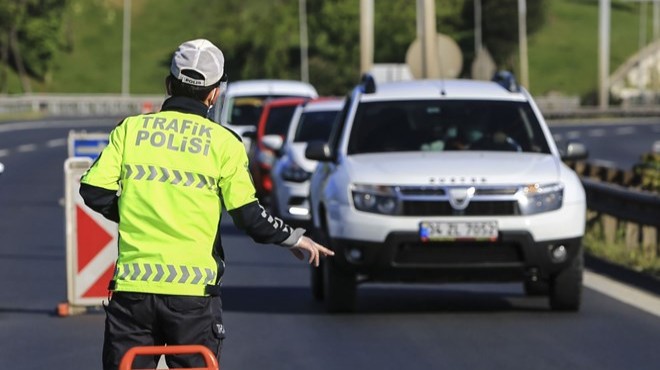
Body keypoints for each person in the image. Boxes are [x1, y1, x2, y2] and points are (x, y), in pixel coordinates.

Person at [79, 38, 334, 370]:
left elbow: (93, 190)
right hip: (193, 298)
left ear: (169, 84)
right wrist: (294, 237)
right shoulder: (224, 144)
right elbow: (248, 217)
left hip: (132, 293)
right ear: (215, 93)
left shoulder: (131, 131)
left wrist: (134, 212)